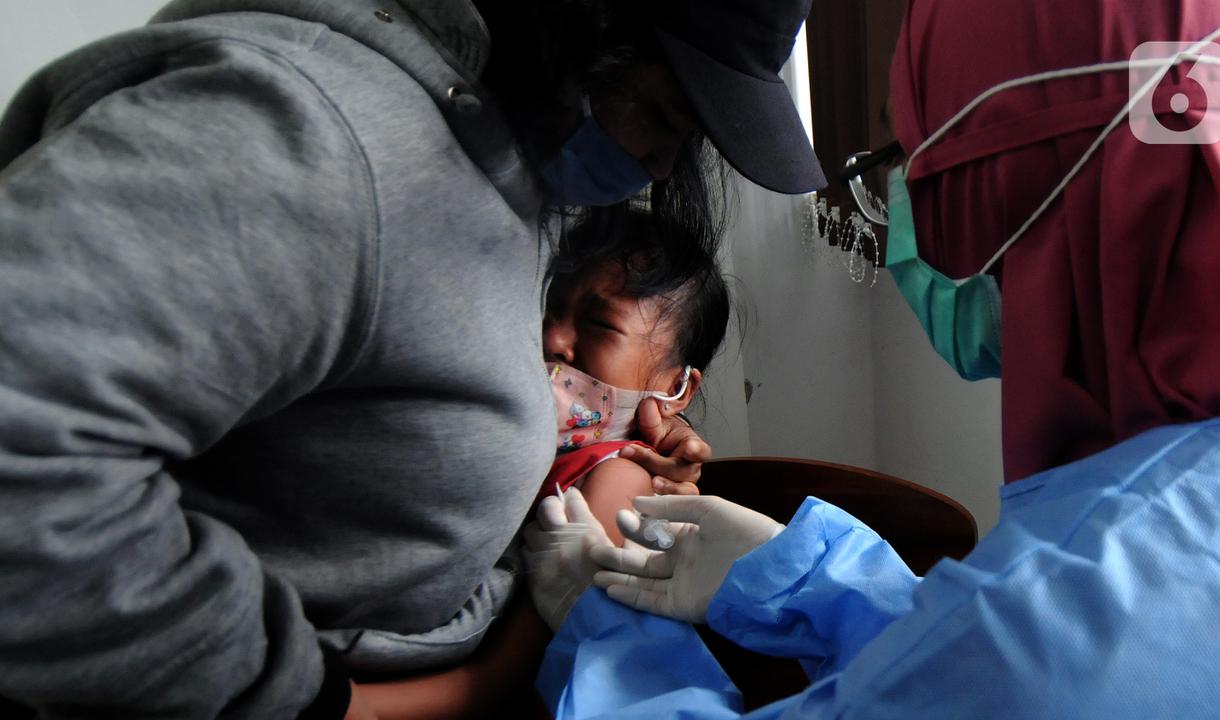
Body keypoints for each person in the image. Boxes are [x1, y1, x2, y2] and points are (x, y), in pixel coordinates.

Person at [0, 1, 823, 718]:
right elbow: (29, 452)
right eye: (662, 116)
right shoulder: (315, 138)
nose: (661, 167)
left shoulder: (507, 165)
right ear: (585, 23)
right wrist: (297, 697)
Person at [523, 0, 1220, 717]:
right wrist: (826, 586)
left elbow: (993, 671)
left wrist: (615, 645)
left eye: (910, 161)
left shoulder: (1053, 641)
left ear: (1011, 188)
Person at [538, 207, 732, 548]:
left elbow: (575, 594)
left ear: (676, 389)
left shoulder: (615, 477)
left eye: (599, 325)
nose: (552, 339)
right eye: (547, 309)